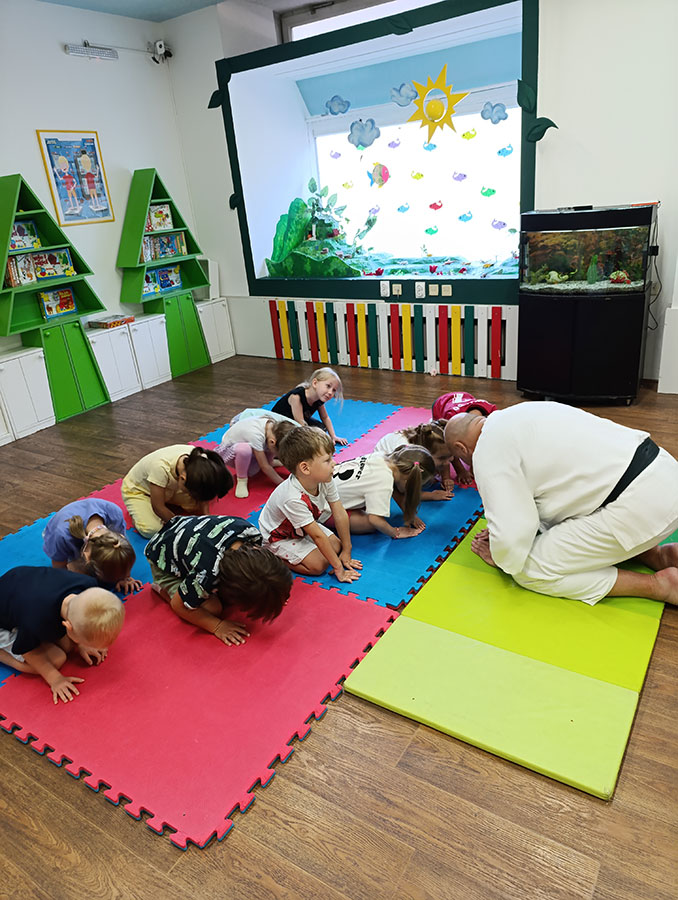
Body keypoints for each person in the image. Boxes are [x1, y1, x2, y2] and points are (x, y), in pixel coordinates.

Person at [444, 402, 678, 606]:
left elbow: (515, 534)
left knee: (528, 569)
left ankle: (658, 585)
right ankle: (656, 555)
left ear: (462, 448)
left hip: (638, 509)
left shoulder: (487, 449)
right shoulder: (519, 413)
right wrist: (500, 529)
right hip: (664, 474)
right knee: (557, 516)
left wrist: (501, 553)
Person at [145, 514, 292, 646]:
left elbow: (265, 575)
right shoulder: (207, 574)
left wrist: (274, 592)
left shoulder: (250, 533)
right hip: (161, 558)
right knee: (213, 609)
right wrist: (217, 626)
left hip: (182, 529)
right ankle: (161, 587)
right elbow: (179, 606)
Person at [0, 566, 124, 704]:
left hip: (21, 586)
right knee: (56, 660)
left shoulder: (88, 585)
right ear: (68, 626)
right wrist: (55, 678)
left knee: (67, 646)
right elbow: (27, 651)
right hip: (4, 620)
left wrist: (82, 643)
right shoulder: (36, 621)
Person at [259, 426, 361, 582]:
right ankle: (271, 555)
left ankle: (306, 549)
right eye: (327, 460)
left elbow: (339, 511)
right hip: (279, 537)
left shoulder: (324, 478)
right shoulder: (292, 498)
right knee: (319, 565)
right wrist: (339, 569)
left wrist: (347, 550)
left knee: (337, 546)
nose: (334, 463)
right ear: (305, 468)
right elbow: (317, 536)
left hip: (301, 528)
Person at [122, 445, 232, 538]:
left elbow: (204, 487)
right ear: (183, 479)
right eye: (189, 492)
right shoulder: (160, 468)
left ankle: (172, 499)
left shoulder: (199, 460)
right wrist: (180, 526)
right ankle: (137, 517)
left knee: (197, 504)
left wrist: (207, 516)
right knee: (152, 530)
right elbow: (158, 507)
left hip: (168, 487)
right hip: (140, 490)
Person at [332, 445, 436, 539]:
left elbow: (396, 491)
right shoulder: (384, 481)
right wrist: (395, 532)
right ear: (408, 480)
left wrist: (409, 514)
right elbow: (375, 520)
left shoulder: (382, 456)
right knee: (371, 525)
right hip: (326, 507)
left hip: (326, 484)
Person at [42, 498, 141, 595]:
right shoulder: (60, 537)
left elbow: (118, 551)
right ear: (86, 557)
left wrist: (124, 577)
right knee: (82, 579)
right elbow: (60, 571)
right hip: (59, 530)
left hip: (84, 533)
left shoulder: (115, 515)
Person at [217, 415, 297, 499]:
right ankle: (242, 479)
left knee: (269, 448)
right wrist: (282, 483)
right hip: (230, 452)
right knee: (244, 450)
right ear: (272, 442)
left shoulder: (273, 428)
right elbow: (264, 466)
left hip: (253, 449)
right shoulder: (256, 436)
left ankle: (270, 461)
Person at [374, 421, 454, 499]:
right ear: (425, 453)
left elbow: (445, 460)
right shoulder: (408, 460)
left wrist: (446, 477)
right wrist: (431, 495)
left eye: (451, 455)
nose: (450, 460)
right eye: (442, 458)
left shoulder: (432, 448)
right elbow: (404, 491)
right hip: (382, 463)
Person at [271, 367, 348, 445]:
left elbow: (325, 417)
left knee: (321, 428)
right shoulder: (296, 397)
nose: (330, 392)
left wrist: (333, 436)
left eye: (334, 390)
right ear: (315, 383)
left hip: (298, 421)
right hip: (279, 424)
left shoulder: (319, 398)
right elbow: (300, 423)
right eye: (328, 386)